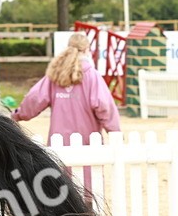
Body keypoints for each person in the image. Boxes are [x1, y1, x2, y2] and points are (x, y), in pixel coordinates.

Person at [11, 32, 120, 192]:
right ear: (87, 50)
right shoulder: (92, 75)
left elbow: (34, 99)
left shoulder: (55, 75)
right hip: (87, 141)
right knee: (89, 186)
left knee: (61, 186)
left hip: (58, 140)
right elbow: (104, 106)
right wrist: (115, 131)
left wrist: (18, 114)